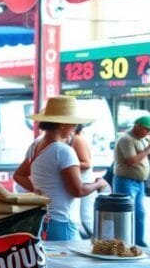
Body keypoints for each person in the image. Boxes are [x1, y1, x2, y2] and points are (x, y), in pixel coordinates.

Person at [13, 97, 109, 241]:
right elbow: (77, 190)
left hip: (43, 219)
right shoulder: (63, 151)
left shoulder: (35, 146)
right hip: (62, 222)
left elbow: (18, 175)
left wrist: (39, 190)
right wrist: (99, 184)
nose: (75, 128)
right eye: (74, 124)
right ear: (63, 124)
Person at [113, 116, 150, 246]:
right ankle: (125, 243)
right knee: (126, 214)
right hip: (126, 181)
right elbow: (132, 161)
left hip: (139, 182)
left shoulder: (142, 139)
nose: (148, 132)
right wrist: (147, 150)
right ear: (137, 126)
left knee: (140, 214)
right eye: (147, 129)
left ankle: (138, 243)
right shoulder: (126, 139)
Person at [71, 124, 96, 238]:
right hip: (80, 180)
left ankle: (99, 243)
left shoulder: (77, 139)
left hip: (84, 181)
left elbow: (87, 164)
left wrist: (68, 164)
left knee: (86, 218)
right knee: (82, 218)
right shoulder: (75, 138)